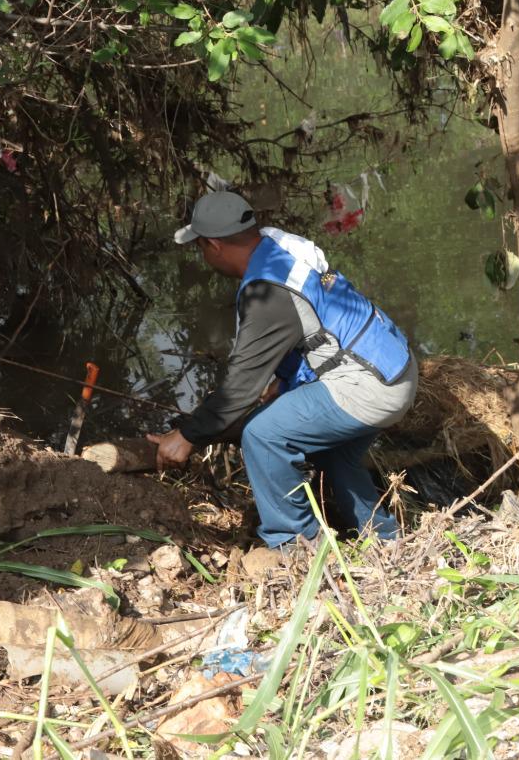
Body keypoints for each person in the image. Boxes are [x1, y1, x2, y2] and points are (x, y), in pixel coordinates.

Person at [149, 191, 417, 571]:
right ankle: (386, 541)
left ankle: (299, 550)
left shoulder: (266, 294)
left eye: (200, 248)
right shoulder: (277, 245)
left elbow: (240, 388)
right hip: (394, 365)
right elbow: (315, 322)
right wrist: (290, 378)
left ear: (213, 245)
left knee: (263, 435)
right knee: (335, 457)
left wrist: (187, 436)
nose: (203, 257)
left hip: (369, 387)